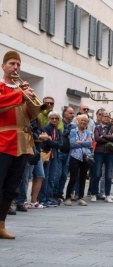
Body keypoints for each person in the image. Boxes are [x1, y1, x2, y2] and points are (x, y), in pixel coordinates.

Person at [0, 50, 40, 239]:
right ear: (3, 66)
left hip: (22, 143)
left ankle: (1, 224)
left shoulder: (21, 89)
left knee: (12, 186)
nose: (15, 67)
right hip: (2, 142)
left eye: (18, 64)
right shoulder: (2, 87)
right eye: (12, 64)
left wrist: (30, 97)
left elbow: (33, 115)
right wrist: (20, 96)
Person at [65, 114, 93, 206]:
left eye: (86, 121)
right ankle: (68, 197)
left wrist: (80, 142)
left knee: (83, 177)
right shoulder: (73, 131)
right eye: (82, 120)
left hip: (85, 156)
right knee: (73, 177)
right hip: (75, 156)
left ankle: (81, 197)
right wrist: (84, 143)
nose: (84, 122)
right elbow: (72, 144)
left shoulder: (88, 132)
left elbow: (90, 144)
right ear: (78, 121)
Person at [91, 111, 113, 203]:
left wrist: (104, 136)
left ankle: (107, 194)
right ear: (101, 118)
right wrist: (108, 137)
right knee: (97, 174)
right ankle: (94, 193)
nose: (106, 118)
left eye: (108, 116)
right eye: (104, 116)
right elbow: (97, 138)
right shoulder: (97, 128)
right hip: (99, 152)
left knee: (109, 175)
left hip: (110, 153)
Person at [39, 111, 63, 207]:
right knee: (45, 177)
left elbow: (60, 144)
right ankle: (42, 198)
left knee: (53, 177)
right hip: (46, 154)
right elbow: (46, 143)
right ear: (49, 119)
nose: (54, 120)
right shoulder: (45, 129)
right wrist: (51, 141)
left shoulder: (58, 131)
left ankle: (49, 197)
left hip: (55, 154)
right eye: (52, 118)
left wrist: (50, 140)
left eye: (56, 118)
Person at [54, 106, 75, 203]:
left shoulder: (73, 125)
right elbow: (65, 133)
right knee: (57, 174)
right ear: (65, 113)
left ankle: (59, 193)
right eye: (70, 113)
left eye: (73, 113)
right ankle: (54, 193)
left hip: (68, 153)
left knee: (64, 175)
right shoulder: (60, 123)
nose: (72, 115)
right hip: (60, 152)